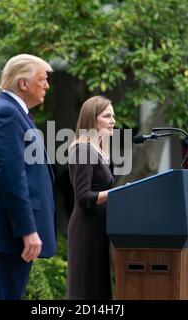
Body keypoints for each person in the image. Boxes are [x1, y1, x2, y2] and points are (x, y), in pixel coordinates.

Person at [0, 54, 56, 300]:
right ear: (23, 83)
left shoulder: (13, 112)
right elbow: (11, 177)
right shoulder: (5, 114)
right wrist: (28, 230)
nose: (47, 85)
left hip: (7, 234)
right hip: (4, 233)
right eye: (43, 79)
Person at [67, 95, 116, 300]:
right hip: (87, 229)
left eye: (113, 115)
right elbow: (83, 197)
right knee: (87, 293)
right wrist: (118, 194)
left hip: (99, 227)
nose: (113, 120)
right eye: (107, 116)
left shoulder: (101, 152)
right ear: (91, 120)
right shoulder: (83, 150)